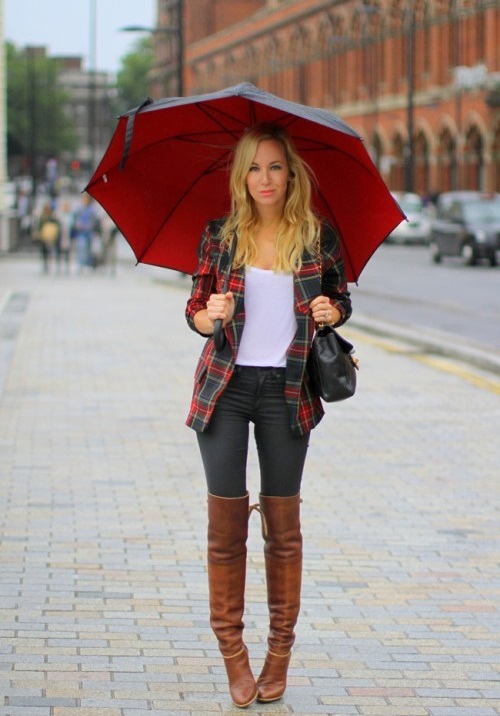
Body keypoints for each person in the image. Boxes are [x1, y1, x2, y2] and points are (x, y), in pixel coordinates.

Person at [185, 123, 352, 708]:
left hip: (288, 392)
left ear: (291, 173)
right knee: (225, 529)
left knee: (283, 532)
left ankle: (279, 653)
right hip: (226, 389)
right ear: (241, 176)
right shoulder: (220, 236)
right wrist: (212, 313)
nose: (265, 178)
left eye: (275, 166)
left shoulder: (316, 238)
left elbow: (340, 301)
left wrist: (331, 311)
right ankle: (234, 655)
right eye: (254, 167)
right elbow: (194, 311)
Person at [33, 203, 61, 274]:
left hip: (51, 237)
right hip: (44, 236)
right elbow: (39, 226)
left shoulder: (52, 217)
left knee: (50, 251)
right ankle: (45, 265)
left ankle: (50, 264)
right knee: (44, 251)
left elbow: (57, 224)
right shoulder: (42, 217)